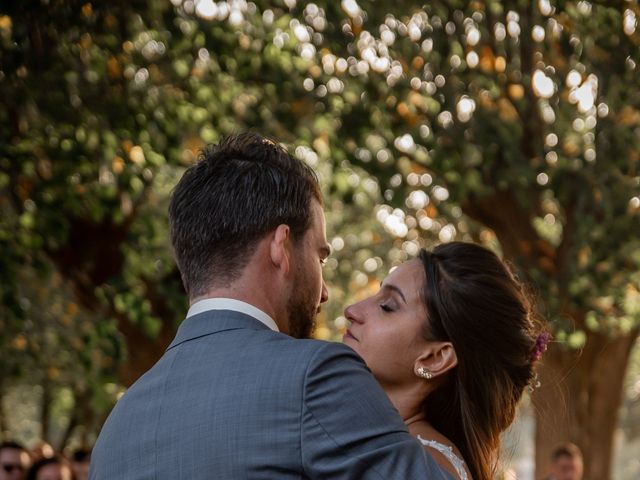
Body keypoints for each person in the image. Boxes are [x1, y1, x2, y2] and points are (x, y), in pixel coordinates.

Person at [90, 132, 448, 478]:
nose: (325, 295)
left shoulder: (117, 427)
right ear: (281, 247)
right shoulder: (315, 377)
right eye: (320, 258)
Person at [344, 241, 548, 480]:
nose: (352, 310)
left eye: (387, 306)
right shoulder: (385, 444)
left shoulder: (421, 468)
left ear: (435, 358)